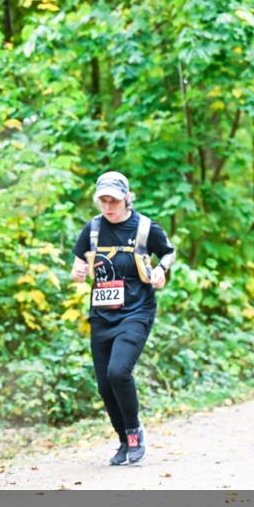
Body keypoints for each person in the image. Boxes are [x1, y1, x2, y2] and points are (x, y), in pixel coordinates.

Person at [70, 172, 175, 466]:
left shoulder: (144, 227)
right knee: (104, 384)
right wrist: (77, 272)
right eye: (102, 200)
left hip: (136, 311)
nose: (107, 206)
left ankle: (134, 432)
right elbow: (79, 263)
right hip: (102, 315)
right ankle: (121, 439)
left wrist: (160, 271)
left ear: (126, 198)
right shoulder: (92, 229)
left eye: (113, 200)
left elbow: (168, 252)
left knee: (118, 372)